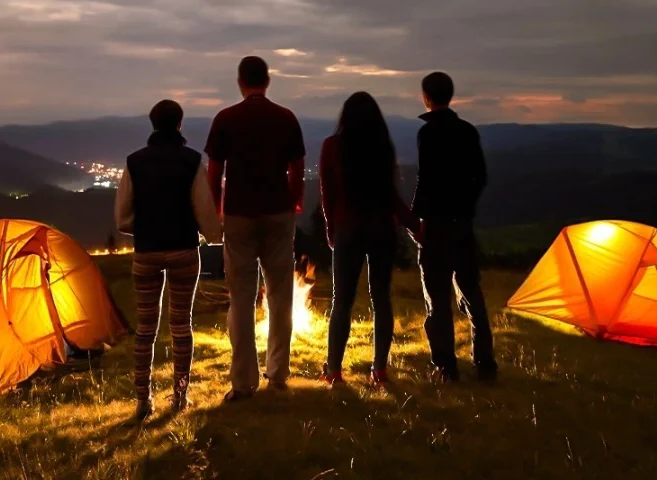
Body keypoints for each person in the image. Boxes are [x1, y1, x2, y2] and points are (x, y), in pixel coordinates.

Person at [205, 56, 306, 401]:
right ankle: (277, 372)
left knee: (242, 297)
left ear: (240, 81)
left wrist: (216, 211)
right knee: (280, 295)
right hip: (278, 213)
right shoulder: (286, 118)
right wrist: (294, 202)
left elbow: (215, 172)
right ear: (268, 80)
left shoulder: (225, 119)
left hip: (239, 215)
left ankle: (244, 382)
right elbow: (297, 167)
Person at [115, 98, 222, 421]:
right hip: (184, 251)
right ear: (179, 124)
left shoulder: (134, 162)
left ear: (152, 124)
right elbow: (204, 211)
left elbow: (122, 218)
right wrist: (212, 236)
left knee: (146, 328)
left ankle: (142, 399)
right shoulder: (191, 161)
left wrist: (145, 228)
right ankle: (180, 394)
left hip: (146, 252)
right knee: (181, 325)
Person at [318, 91, 416, 387]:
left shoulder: (332, 146)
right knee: (381, 299)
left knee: (342, 301)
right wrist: (413, 224)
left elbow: (328, 193)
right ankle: (380, 370)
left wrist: (330, 228)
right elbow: (391, 194)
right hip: (382, 229)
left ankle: (334, 370)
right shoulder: (382, 147)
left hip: (348, 228)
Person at [412, 70, 497, 383]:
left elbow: (425, 178)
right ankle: (485, 362)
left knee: (437, 297)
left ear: (427, 97)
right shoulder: (468, 131)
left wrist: (415, 218)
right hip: (462, 224)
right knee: (471, 290)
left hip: (435, 225)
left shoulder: (428, 134)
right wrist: (467, 206)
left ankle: (446, 367)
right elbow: (481, 176)